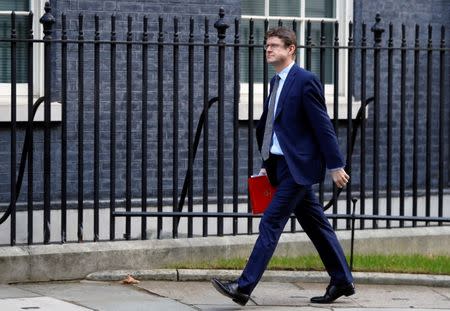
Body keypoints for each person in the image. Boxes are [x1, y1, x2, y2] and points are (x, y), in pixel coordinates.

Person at [211, 27, 354, 305]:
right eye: (267, 45)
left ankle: (243, 286)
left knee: (271, 221)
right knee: (316, 225)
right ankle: (342, 280)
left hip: (299, 169)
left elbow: (322, 125)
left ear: (291, 49)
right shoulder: (276, 82)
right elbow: (273, 128)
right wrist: (267, 162)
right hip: (280, 165)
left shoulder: (305, 80)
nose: (269, 49)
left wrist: (335, 165)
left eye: (275, 45)